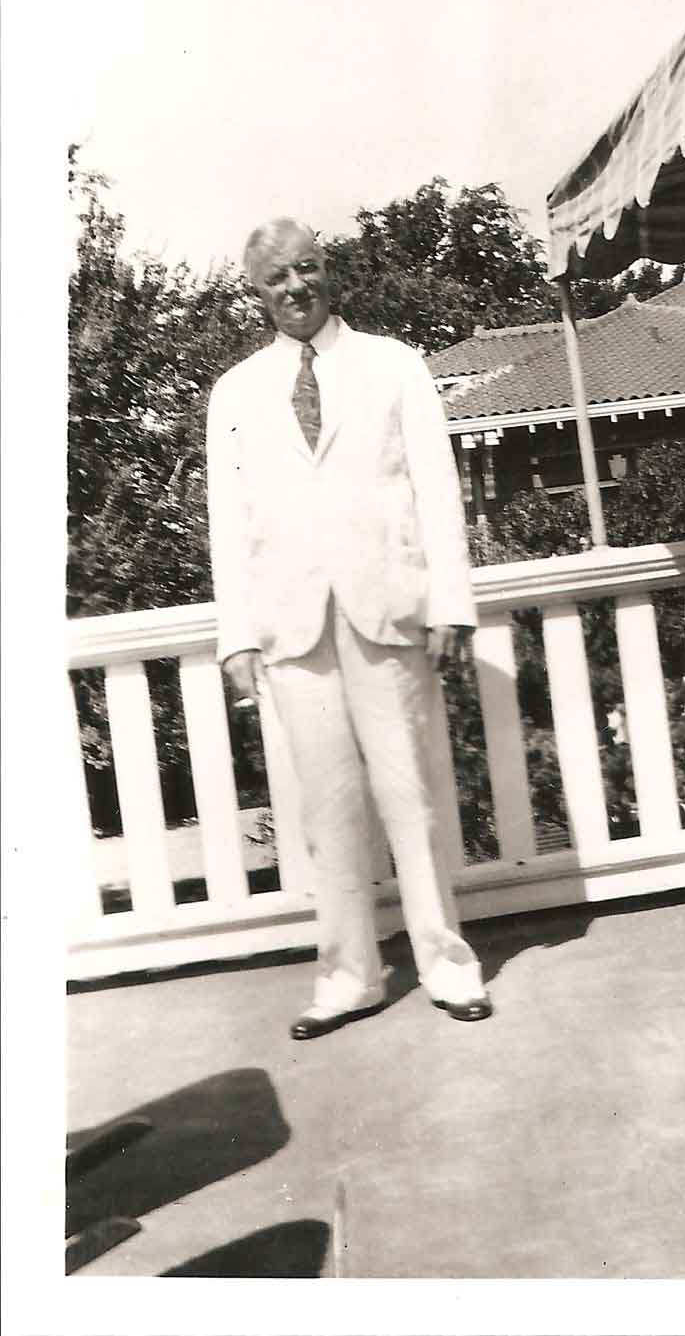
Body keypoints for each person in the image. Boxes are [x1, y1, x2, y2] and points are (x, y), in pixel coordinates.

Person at [206, 217, 492, 1038]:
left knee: (414, 795)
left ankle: (447, 965)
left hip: (388, 609)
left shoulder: (393, 366)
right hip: (292, 626)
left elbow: (437, 488)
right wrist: (237, 634)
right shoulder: (237, 390)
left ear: (328, 272)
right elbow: (229, 521)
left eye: (307, 269)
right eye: (276, 280)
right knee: (325, 811)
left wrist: (450, 602)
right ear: (256, 296)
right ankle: (347, 977)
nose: (296, 288)